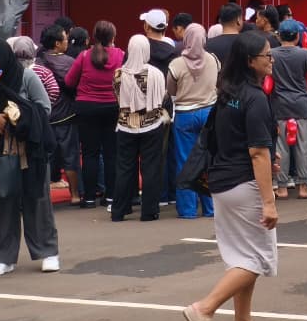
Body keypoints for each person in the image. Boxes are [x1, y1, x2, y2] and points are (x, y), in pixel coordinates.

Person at [183, 31, 280, 321]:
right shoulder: (255, 98)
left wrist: (267, 153)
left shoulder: (228, 92)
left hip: (223, 183)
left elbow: (235, 140)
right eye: (266, 55)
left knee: (241, 256)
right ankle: (204, 309)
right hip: (244, 184)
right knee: (258, 259)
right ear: (251, 61)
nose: (271, 60)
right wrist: (269, 202)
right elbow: (257, 152)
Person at [0, 36, 60, 276]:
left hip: (31, 148)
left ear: (3, 57)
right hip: (0, 149)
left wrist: (19, 115)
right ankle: (3, 257)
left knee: (37, 199)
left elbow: (44, 107)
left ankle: (48, 252)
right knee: (3, 200)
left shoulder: (26, 76)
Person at [66, 21, 124, 209]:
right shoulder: (121, 55)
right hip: (113, 107)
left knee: (90, 154)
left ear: (93, 37)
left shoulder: (84, 56)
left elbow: (69, 81)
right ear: (113, 38)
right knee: (111, 154)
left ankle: (89, 197)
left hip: (87, 108)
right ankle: (111, 197)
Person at [112, 35, 169, 222]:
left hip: (125, 125)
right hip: (151, 124)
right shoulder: (155, 73)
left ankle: (119, 210)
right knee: (151, 168)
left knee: (124, 168)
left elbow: (118, 99)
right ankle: (149, 211)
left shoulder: (119, 74)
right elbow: (162, 98)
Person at [270, 20, 307, 200]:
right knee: (303, 147)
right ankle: (303, 187)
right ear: (297, 37)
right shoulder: (304, 54)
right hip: (301, 105)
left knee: (281, 147)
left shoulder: (271, 54)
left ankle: (282, 188)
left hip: (279, 106)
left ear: (279, 36)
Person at [168, 23, 219, 218]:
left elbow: (171, 90)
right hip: (208, 113)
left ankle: (187, 209)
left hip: (184, 115)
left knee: (184, 161)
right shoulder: (213, 60)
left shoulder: (176, 64)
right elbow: (218, 83)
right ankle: (210, 207)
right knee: (209, 160)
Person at [36, 25, 81, 206]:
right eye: (65, 39)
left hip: (44, 116)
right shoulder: (70, 62)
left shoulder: (38, 62)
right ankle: (75, 194)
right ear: (57, 43)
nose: (67, 43)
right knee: (70, 156)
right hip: (66, 115)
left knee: (45, 156)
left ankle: (43, 194)